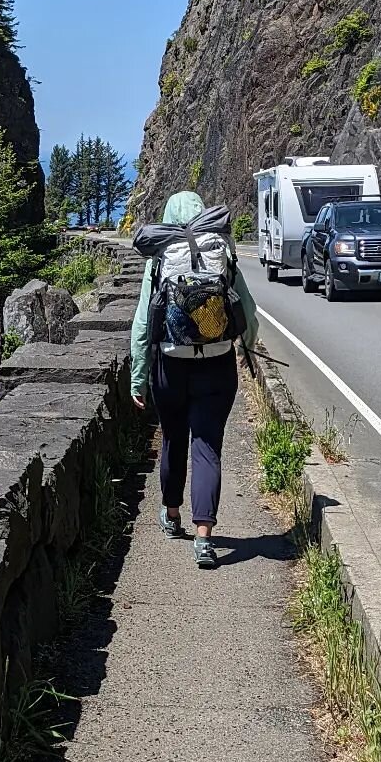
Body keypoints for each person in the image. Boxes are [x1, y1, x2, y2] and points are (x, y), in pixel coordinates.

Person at [130, 190, 258, 569]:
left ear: (169, 216)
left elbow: (142, 324)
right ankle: (204, 539)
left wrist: (138, 378)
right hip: (217, 364)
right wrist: (246, 348)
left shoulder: (163, 254)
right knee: (207, 445)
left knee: (173, 439)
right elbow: (246, 310)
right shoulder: (219, 246)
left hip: (171, 365)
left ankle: (172, 515)